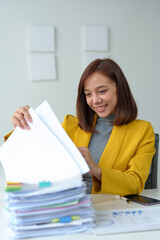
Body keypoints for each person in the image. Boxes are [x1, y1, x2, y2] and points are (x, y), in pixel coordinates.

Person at [6, 58, 155, 196]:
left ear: (120, 89)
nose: (95, 100)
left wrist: (95, 169)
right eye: (88, 94)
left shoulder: (142, 131)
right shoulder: (71, 125)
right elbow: (34, 156)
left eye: (102, 91)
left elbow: (136, 184)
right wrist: (21, 127)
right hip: (66, 204)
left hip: (110, 208)